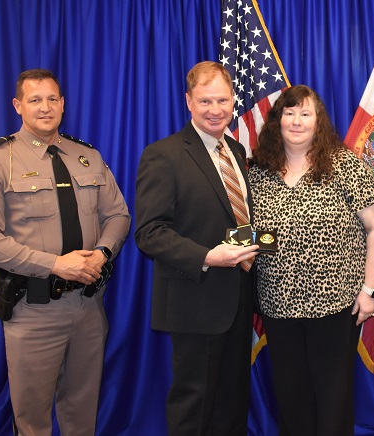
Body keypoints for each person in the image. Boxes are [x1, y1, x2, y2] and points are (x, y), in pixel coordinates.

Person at [0, 69, 131, 435]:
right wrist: (56, 264)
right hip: (33, 311)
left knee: (82, 414)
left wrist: (102, 252)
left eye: (52, 99)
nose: (45, 107)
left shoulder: (87, 155)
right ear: (17, 105)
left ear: (63, 104)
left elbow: (118, 214)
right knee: (32, 420)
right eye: (35, 100)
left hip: (88, 307)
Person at [248, 84, 374, 436]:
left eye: (305, 113)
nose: (297, 121)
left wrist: (370, 292)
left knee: (333, 397)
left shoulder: (345, 165)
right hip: (278, 306)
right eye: (289, 112)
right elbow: (253, 235)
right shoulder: (258, 172)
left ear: (318, 120)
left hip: (336, 305)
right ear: (277, 119)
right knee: (291, 396)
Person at [134, 61, 259, 436]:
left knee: (232, 402)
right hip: (195, 301)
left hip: (239, 299)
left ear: (233, 100)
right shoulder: (164, 154)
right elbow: (149, 232)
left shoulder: (236, 151)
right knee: (194, 405)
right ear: (188, 101)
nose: (216, 110)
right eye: (206, 101)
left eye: (223, 100)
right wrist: (207, 256)